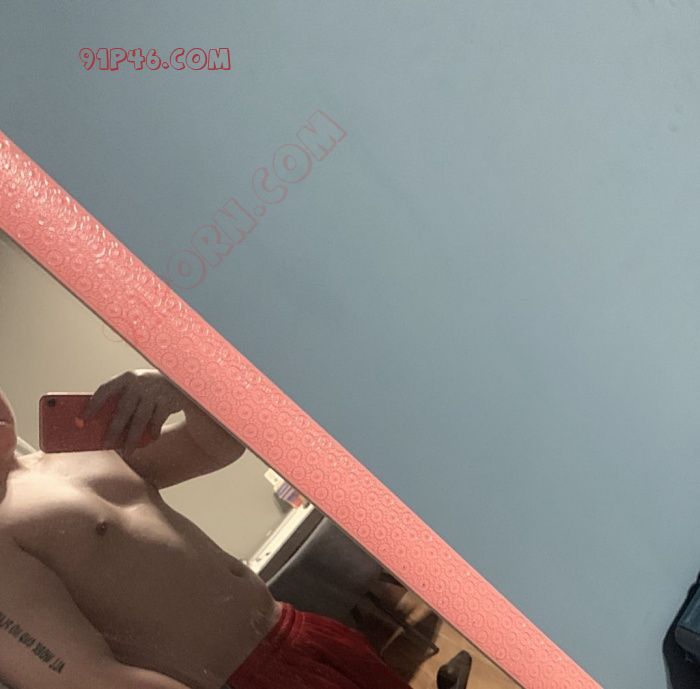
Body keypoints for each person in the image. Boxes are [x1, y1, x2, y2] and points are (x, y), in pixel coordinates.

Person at [0, 368, 413, 689]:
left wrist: (178, 387)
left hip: (298, 631)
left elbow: (215, 446)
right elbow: (90, 679)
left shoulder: (75, 454)